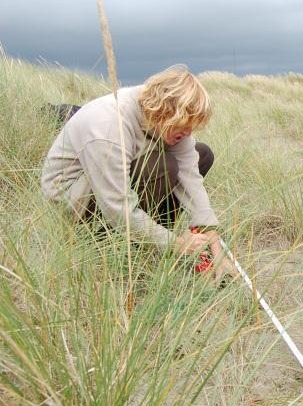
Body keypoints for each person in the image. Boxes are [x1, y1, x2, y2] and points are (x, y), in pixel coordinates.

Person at [41, 64, 233, 280]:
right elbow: (117, 207)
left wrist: (217, 252)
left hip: (115, 184)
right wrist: (176, 244)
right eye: (183, 125)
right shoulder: (108, 126)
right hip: (76, 200)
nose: (189, 132)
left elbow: (192, 182)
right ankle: (121, 243)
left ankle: (153, 233)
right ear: (164, 112)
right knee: (163, 166)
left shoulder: (166, 117)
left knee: (202, 154)